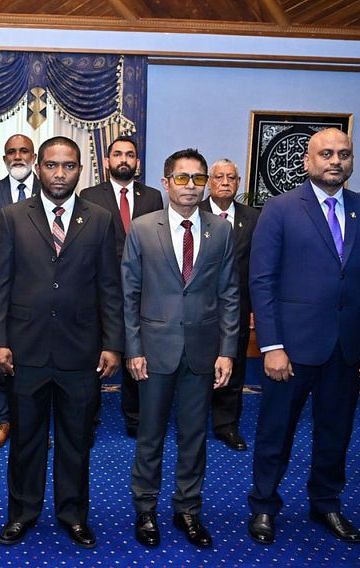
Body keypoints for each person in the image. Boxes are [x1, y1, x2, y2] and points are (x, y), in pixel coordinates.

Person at [247, 128, 360, 545]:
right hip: (290, 350)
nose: (335, 161)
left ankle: (326, 503)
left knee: (335, 431)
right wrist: (272, 345)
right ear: (307, 161)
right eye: (326, 154)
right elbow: (262, 280)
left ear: (351, 161)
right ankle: (263, 505)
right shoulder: (280, 208)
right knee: (276, 432)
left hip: (346, 348)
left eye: (343, 154)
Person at [0, 136, 123, 549]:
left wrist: (113, 343)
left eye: (68, 166)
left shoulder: (100, 219)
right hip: (24, 348)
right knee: (25, 440)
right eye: (51, 165)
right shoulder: (12, 216)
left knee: (76, 441)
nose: (59, 173)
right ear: (37, 168)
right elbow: (0, 283)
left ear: (81, 170)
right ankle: (22, 513)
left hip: (81, 349)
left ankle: (73, 515)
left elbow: (110, 286)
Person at [122, 148, 239, 549]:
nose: (191, 186)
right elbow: (129, 294)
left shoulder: (221, 231)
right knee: (150, 435)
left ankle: (188, 509)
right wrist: (133, 348)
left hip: (203, 351)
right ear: (166, 182)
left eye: (198, 179)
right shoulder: (142, 228)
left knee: (194, 436)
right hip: (153, 351)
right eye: (182, 178)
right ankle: (145, 509)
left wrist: (227, 350)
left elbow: (229, 294)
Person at [81, 136, 163, 438]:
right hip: (101, 288)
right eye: (117, 154)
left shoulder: (153, 197)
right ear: (106, 161)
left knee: (136, 352)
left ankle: (135, 418)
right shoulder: (89, 195)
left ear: (137, 162)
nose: (124, 159)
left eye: (130, 155)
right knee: (95, 355)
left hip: (141, 288)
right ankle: (88, 420)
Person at [0, 133, 42, 449]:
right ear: (5, 158)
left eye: (24, 151)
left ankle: (34, 424)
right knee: (0, 356)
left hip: (41, 291)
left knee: (37, 359)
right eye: (11, 152)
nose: (18, 156)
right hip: (1, 290)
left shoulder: (51, 189)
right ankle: (3, 419)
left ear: (34, 157)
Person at [198, 159, 259, 451]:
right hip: (198, 307)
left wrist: (255, 308)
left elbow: (259, 268)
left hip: (237, 307)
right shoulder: (193, 212)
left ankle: (226, 426)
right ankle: (194, 422)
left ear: (238, 183)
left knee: (233, 366)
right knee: (196, 367)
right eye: (219, 177)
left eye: (231, 178)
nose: (225, 182)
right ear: (209, 181)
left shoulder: (254, 217)